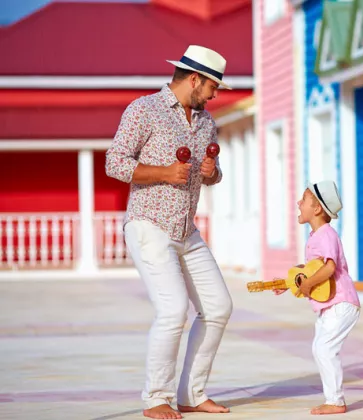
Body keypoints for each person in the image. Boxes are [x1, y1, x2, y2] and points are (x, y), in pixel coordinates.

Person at [105, 45, 233, 420]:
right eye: (213, 86)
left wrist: (211, 172)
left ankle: (192, 394)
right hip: (149, 225)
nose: (215, 94)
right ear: (195, 79)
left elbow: (214, 175)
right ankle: (156, 398)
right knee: (173, 309)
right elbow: (115, 162)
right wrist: (163, 172)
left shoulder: (207, 121)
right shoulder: (143, 110)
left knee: (219, 307)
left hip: (186, 230)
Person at [275, 180, 361, 415]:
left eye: (303, 200)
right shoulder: (317, 236)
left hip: (341, 301)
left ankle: (335, 401)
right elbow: (314, 268)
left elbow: (329, 268)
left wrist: (308, 285)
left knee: (324, 348)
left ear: (317, 209)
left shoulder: (326, 235)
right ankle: (333, 398)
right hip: (329, 304)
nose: (298, 203)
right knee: (320, 348)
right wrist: (291, 282)